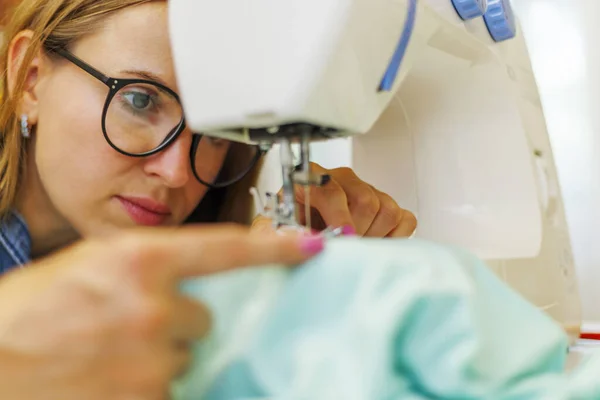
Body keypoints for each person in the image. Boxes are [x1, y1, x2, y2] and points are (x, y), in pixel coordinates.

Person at [0, 0, 417, 398]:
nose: (177, 172)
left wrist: (253, 300)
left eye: (215, 134)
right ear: (30, 77)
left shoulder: (189, 303)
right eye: (140, 100)